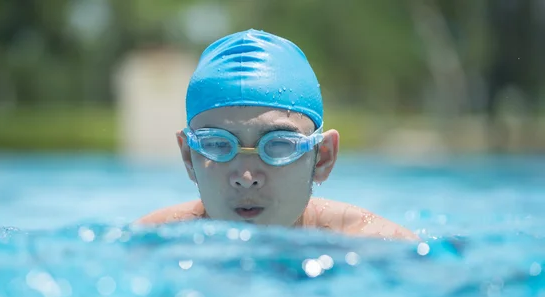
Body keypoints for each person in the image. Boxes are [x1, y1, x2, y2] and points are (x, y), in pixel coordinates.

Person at [137, 29, 418, 241]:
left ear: (323, 158)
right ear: (188, 156)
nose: (246, 178)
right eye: (218, 144)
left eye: (279, 145)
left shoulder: (378, 246)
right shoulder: (148, 244)